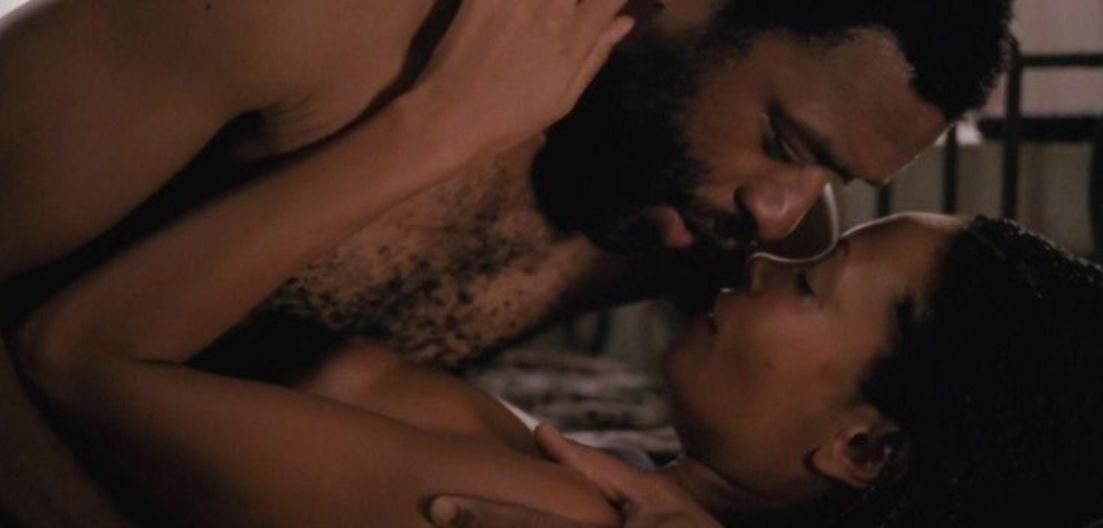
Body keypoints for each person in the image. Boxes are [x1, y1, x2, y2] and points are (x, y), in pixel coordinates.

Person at [0, 0, 1014, 525]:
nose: (784, 216)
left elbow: (867, 466)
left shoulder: (739, 224)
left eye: (832, 175)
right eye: (786, 143)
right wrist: (435, 127)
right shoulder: (298, 25)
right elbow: (69, 355)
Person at [17, 161, 1103, 526]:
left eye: (812, 283)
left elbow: (70, 355)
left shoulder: (566, 516)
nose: (762, 263)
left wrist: (425, 128)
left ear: (861, 450)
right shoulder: (611, 486)